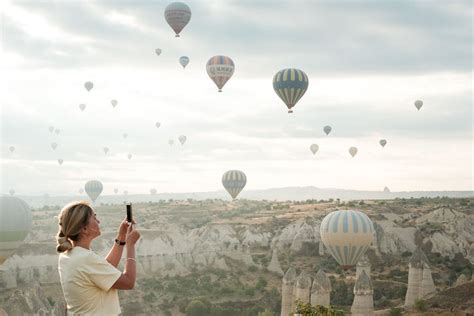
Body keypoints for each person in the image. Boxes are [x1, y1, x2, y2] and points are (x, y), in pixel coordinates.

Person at [56, 201, 140, 315]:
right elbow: (129, 282)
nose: (98, 221)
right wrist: (130, 246)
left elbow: (104, 269)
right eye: (94, 218)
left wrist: (122, 236)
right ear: (84, 229)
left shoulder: (69, 255)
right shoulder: (85, 258)